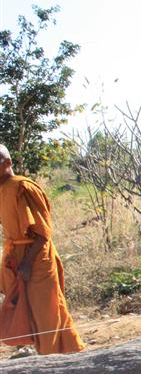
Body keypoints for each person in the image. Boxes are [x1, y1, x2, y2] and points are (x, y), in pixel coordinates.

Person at [0, 144, 85, 354]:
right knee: (25, 311)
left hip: (37, 258)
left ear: (8, 163)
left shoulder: (24, 187)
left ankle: (56, 360)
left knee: (46, 312)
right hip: (16, 256)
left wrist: (27, 263)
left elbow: (43, 232)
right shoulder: (2, 190)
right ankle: (50, 355)